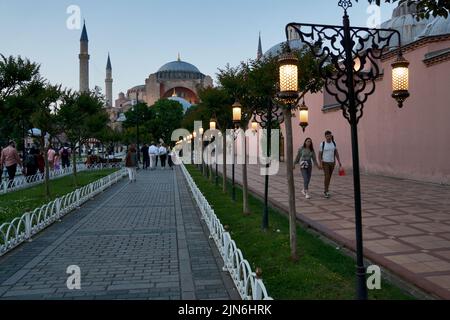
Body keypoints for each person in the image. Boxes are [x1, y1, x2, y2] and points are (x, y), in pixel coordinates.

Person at [318, 130, 342, 198]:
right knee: (327, 176)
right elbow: (319, 155)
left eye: (330, 136)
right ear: (325, 136)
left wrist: (339, 161)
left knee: (329, 177)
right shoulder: (322, 144)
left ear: (331, 136)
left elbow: (336, 153)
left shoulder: (334, 143)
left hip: (332, 163)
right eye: (327, 136)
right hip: (325, 162)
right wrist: (320, 163)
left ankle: (327, 189)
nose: (329, 137)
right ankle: (326, 191)